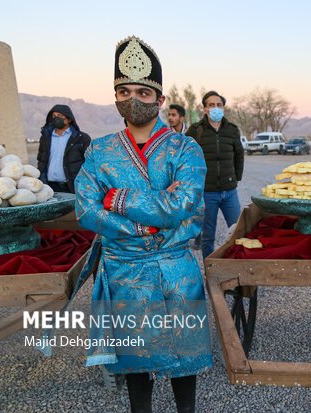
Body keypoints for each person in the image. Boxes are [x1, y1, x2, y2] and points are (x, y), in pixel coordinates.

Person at [74, 36, 212, 413]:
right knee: (136, 361)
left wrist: (117, 199)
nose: (132, 99)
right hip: (123, 270)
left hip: (175, 268)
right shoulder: (99, 150)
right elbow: (86, 209)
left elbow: (180, 205)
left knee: (185, 360)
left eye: (142, 92)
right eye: (123, 90)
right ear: (115, 95)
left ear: (160, 99)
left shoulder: (185, 149)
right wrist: (142, 225)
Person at [186, 91, 244, 258]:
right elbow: (184, 155)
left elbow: (239, 155)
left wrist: (236, 178)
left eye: (219, 105)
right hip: (207, 192)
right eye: (211, 105)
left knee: (237, 231)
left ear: (223, 108)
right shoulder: (196, 130)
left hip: (230, 192)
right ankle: (210, 272)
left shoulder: (232, 130)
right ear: (205, 109)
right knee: (207, 236)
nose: (216, 108)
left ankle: (236, 271)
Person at [37, 104, 91, 193]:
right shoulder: (45, 137)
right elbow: (40, 160)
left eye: (59, 115)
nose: (56, 118)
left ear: (69, 119)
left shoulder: (81, 138)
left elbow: (89, 163)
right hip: (49, 187)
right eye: (53, 116)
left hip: (72, 186)